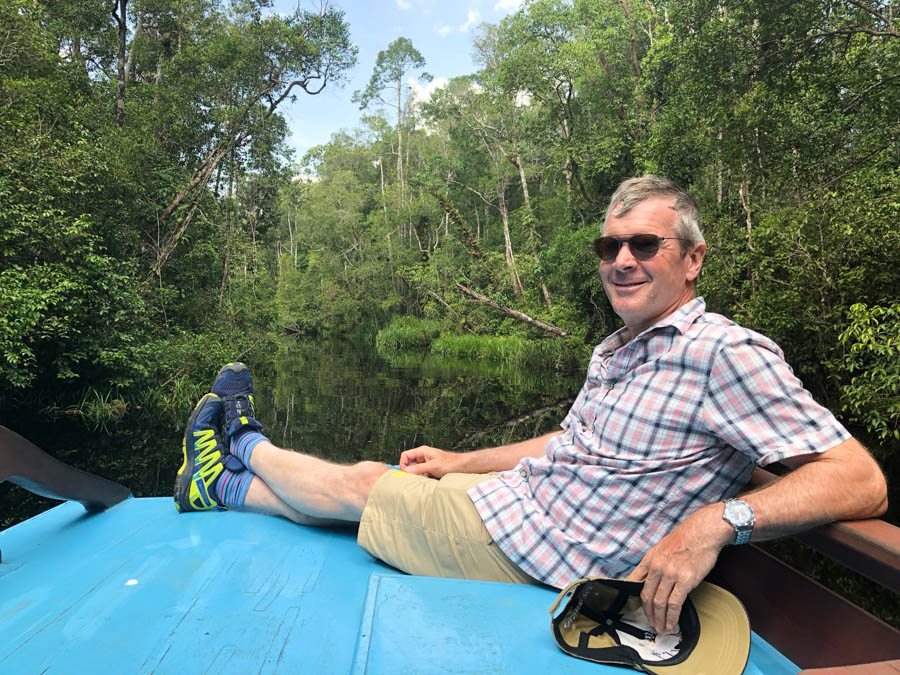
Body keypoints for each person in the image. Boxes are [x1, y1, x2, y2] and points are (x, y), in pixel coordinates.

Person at [174, 175, 887, 636]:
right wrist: (461, 460)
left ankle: (242, 443)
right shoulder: (619, 348)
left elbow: (860, 478)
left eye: (645, 244)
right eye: (610, 245)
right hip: (521, 502)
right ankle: (223, 487)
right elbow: (566, 442)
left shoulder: (725, 353)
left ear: (692, 259)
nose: (622, 259)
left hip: (540, 553)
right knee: (393, 484)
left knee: (366, 485)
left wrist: (716, 521)